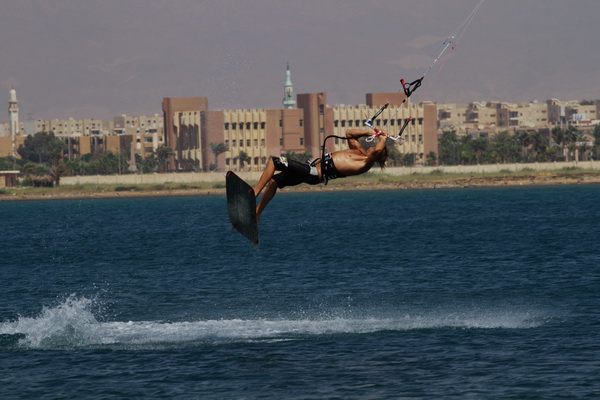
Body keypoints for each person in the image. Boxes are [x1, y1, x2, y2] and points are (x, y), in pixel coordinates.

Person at [252, 128, 389, 221]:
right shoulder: (359, 152)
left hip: (313, 173)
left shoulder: (365, 164)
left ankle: (254, 192)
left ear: (378, 156)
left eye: (376, 149)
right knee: (274, 182)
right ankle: (257, 213)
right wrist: (371, 132)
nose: (372, 147)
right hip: (310, 169)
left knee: (274, 161)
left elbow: (378, 150)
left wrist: (383, 138)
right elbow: (349, 133)